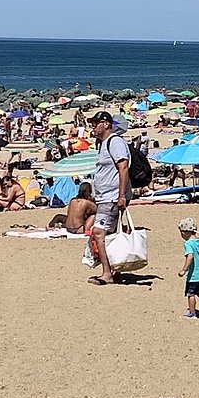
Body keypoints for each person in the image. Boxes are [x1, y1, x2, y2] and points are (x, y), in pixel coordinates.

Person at [87, 111, 130, 286]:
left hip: (112, 197)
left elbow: (123, 167)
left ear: (106, 124)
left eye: (96, 123)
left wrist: (121, 195)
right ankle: (115, 270)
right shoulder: (103, 144)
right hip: (106, 197)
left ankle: (107, 273)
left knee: (99, 232)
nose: (93, 126)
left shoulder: (115, 142)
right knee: (112, 234)